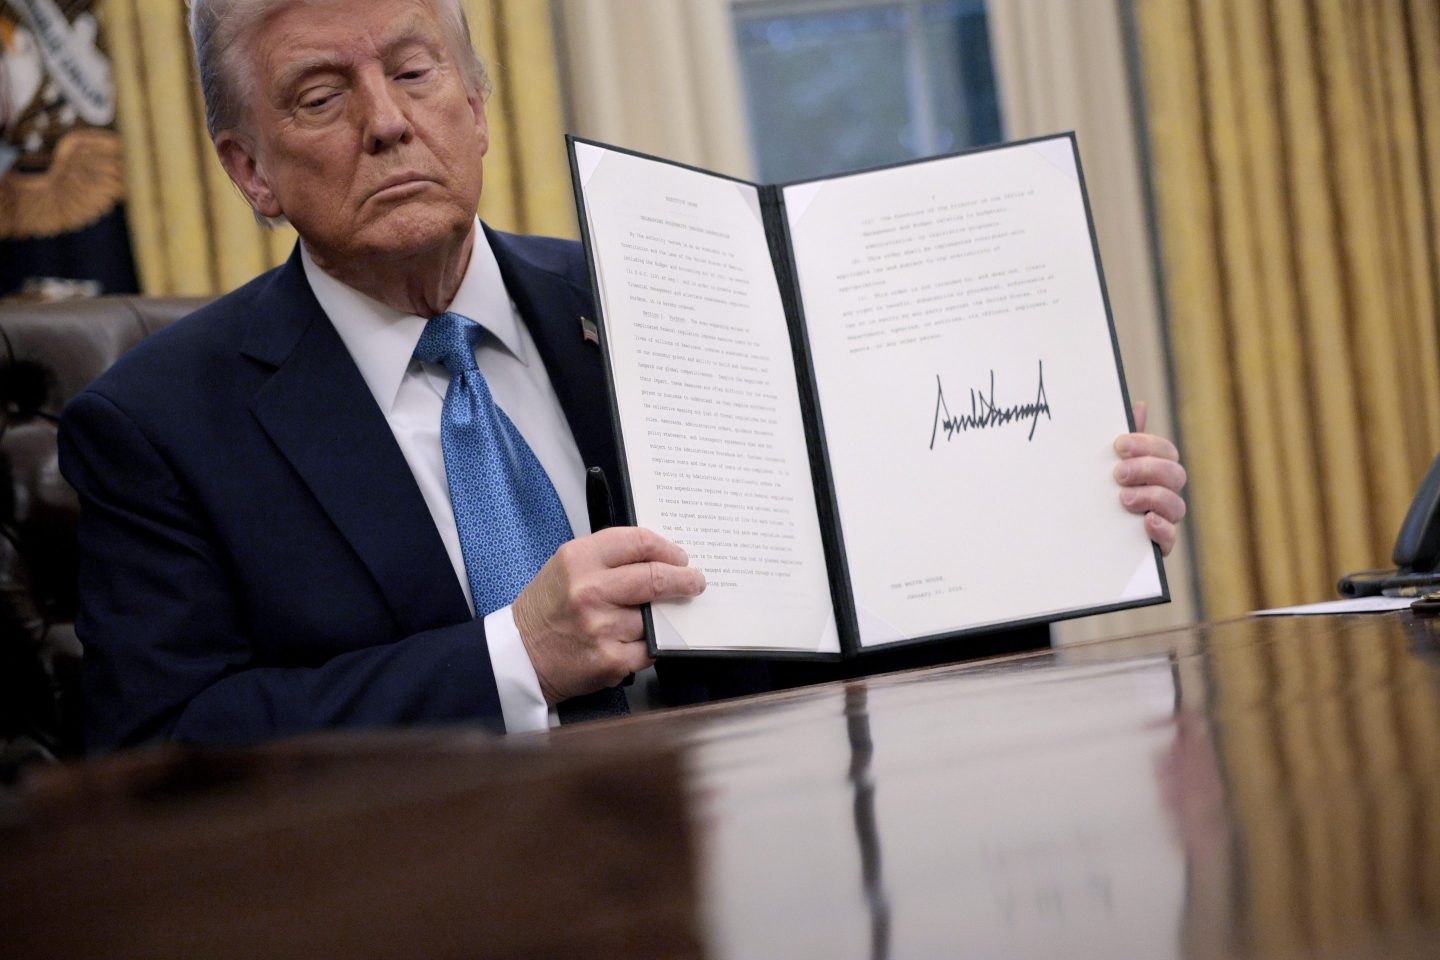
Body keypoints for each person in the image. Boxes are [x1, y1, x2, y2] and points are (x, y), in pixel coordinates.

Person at [57, 0, 1187, 751]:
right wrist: (513, 659)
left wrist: (1047, 510)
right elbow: (162, 744)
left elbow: (864, 591)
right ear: (248, 168)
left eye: (413, 71)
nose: (391, 123)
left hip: (755, 854)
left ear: (479, 105)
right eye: (321, 97)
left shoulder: (683, 299)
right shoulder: (155, 426)